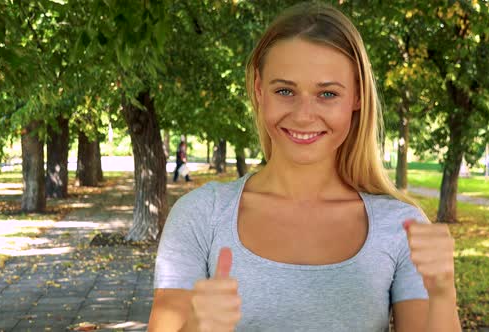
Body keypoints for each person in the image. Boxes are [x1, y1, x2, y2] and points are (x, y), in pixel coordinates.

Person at [150, 2, 461, 331]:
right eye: (285, 90)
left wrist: (443, 294)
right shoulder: (200, 215)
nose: (303, 115)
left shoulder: (401, 226)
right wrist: (197, 326)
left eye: (327, 94)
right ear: (258, 90)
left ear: (357, 97)